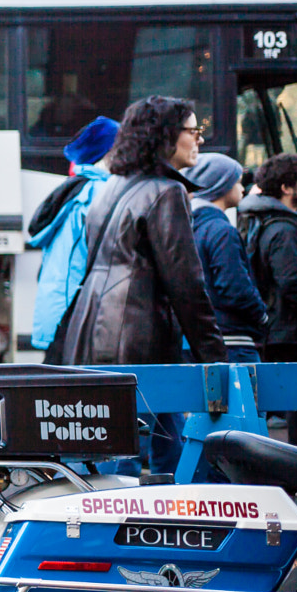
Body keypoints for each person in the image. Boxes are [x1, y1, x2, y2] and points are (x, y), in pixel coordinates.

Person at [59, 96, 224, 474]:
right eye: (193, 131)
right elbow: (187, 287)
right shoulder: (167, 192)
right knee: (135, 453)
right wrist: (216, 360)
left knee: (109, 448)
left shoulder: (112, 186)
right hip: (137, 338)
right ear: (166, 136)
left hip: (92, 334)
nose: (199, 139)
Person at [238, 152, 297, 450]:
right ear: (286, 188)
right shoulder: (284, 230)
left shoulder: (273, 221)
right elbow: (292, 282)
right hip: (290, 329)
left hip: (279, 327)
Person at [27, 116, 117, 358]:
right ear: (109, 154)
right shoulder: (97, 193)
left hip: (60, 314)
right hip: (73, 320)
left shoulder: (78, 188)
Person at [183, 153, 267, 363]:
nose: (242, 188)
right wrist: (262, 315)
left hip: (203, 335)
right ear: (220, 186)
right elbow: (235, 288)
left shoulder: (189, 226)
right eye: (237, 182)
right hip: (233, 340)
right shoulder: (221, 230)